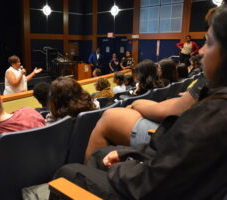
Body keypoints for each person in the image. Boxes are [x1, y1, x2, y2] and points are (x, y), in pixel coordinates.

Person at [54, 6, 227, 199]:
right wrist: (131, 153)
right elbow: (176, 153)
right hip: (169, 176)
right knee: (99, 155)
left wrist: (123, 166)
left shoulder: (216, 113)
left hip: (150, 187)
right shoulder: (214, 102)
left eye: (209, 43)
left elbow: (152, 183)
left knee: (68, 173)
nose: (201, 51)